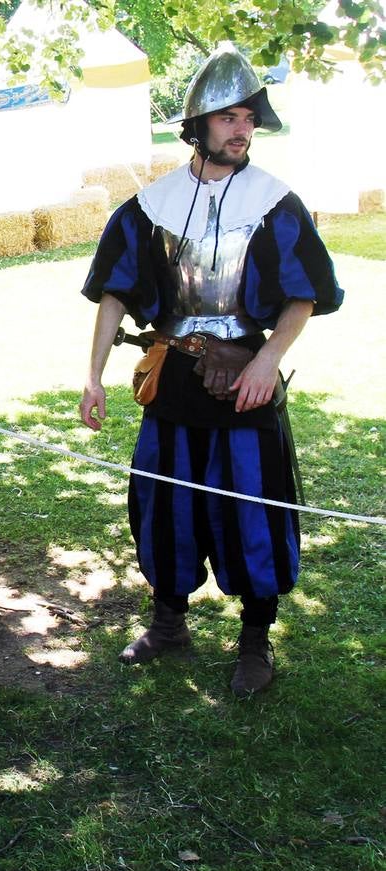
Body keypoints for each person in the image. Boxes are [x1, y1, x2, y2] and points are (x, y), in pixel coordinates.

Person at [79, 45, 343, 695]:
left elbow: (304, 294)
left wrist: (268, 361)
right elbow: (115, 290)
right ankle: (169, 625)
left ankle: (255, 641)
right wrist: (93, 377)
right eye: (228, 117)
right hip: (172, 374)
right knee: (165, 505)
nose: (242, 128)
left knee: (253, 510)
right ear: (197, 125)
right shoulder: (151, 205)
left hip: (243, 379)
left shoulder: (276, 202)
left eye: (249, 117)